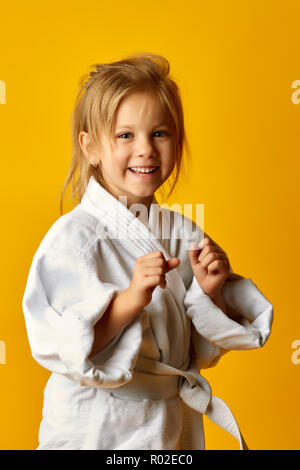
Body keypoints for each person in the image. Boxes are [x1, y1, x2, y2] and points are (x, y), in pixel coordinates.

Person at [22, 53, 273, 450]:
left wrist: (211, 293)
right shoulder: (74, 238)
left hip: (170, 422)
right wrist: (131, 298)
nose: (146, 150)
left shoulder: (182, 232)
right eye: (125, 135)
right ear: (90, 146)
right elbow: (67, 348)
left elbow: (198, 354)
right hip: (97, 425)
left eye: (160, 133)